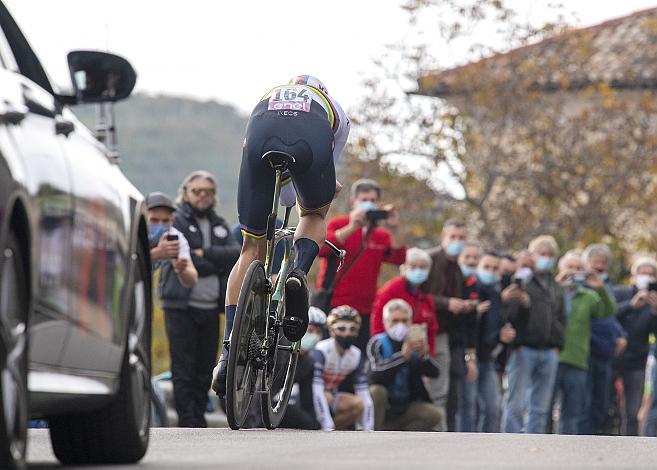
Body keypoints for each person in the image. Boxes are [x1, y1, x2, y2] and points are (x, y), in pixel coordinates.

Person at [212, 75, 350, 396]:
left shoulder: (267, 96)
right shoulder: (336, 111)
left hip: (262, 132)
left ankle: (227, 353)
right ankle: (297, 273)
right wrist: (318, 196)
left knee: (250, 247)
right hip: (311, 136)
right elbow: (328, 178)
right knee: (315, 212)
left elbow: (260, 162)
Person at [159, 172, 240, 427]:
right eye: (198, 191)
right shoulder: (176, 220)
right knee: (183, 366)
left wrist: (205, 254)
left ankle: (199, 418)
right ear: (186, 193)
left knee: (206, 366)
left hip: (211, 306)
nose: (203, 197)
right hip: (180, 305)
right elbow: (185, 257)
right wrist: (214, 262)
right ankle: (187, 420)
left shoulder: (218, 223)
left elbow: (236, 254)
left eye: (208, 192)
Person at [316, 178, 406, 351]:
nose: (369, 204)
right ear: (353, 201)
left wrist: (395, 228)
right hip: (334, 303)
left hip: (364, 308)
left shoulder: (381, 235)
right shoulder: (338, 224)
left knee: (358, 356)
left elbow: (399, 258)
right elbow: (321, 249)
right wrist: (352, 227)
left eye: (373, 201)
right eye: (364, 200)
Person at [500, 235, 565, 434]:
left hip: (549, 350)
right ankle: (510, 442)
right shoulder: (523, 279)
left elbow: (561, 316)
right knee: (516, 403)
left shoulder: (554, 285)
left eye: (550, 255)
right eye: (541, 254)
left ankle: (533, 446)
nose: (546, 258)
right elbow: (510, 310)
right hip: (524, 348)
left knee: (540, 408)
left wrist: (558, 344)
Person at [553, 250, 615, 435]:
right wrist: (557, 284)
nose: (573, 271)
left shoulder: (587, 296)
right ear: (561, 268)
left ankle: (566, 453)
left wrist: (600, 287)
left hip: (577, 359)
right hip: (553, 356)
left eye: (579, 268)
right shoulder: (552, 291)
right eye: (570, 267)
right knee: (543, 408)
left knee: (572, 412)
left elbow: (608, 311)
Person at [424, 220, 472, 431]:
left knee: (448, 392)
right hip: (429, 331)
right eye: (453, 237)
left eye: (461, 238)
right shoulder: (430, 259)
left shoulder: (457, 268)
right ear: (444, 238)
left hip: (447, 332)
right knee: (437, 390)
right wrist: (447, 303)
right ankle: (436, 433)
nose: (457, 242)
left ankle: (444, 432)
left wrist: (464, 306)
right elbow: (418, 295)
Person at [458, 251, 513, 433]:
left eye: (494, 268)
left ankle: (487, 448)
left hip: (487, 358)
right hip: (469, 356)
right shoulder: (469, 289)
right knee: (469, 406)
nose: (490, 271)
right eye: (486, 267)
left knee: (492, 407)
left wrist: (502, 336)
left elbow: (495, 327)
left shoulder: (496, 294)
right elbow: (464, 327)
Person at [368, 299, 443, 431]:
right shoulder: (378, 342)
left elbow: (436, 373)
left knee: (435, 414)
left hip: (404, 406)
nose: (400, 325)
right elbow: (375, 375)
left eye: (404, 321)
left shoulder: (413, 343)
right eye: (395, 321)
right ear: (386, 323)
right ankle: (374, 432)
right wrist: (402, 357)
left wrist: (423, 356)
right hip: (384, 407)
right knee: (376, 391)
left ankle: (402, 437)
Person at [582, 244, 626, 435]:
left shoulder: (606, 286)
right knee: (586, 398)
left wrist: (621, 336)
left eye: (604, 263)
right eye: (596, 262)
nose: (600, 267)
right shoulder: (581, 286)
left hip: (606, 351)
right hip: (587, 349)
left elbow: (610, 315)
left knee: (602, 398)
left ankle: (594, 438)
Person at [612, 256, 657, 435]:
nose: (645, 276)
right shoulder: (620, 293)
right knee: (604, 405)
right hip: (613, 357)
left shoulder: (653, 301)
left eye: (650, 274)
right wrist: (631, 306)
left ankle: (629, 448)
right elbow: (610, 316)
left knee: (632, 411)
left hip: (637, 361)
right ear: (633, 275)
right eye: (642, 273)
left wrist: (655, 312)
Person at [310, 306, 374, 431]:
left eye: (352, 329)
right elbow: (316, 391)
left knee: (357, 404)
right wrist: (326, 423)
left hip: (330, 395)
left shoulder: (356, 354)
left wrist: (369, 429)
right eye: (341, 328)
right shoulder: (321, 350)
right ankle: (324, 427)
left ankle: (330, 431)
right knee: (325, 397)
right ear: (331, 331)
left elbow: (364, 394)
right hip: (307, 394)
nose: (347, 333)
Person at [370, 248, 438, 354]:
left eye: (422, 267)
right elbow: (377, 319)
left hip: (416, 350)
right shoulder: (391, 290)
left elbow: (431, 329)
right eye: (414, 266)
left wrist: (429, 353)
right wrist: (379, 347)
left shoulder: (426, 296)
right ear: (405, 267)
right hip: (389, 348)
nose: (418, 271)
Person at [280, 307, 327, 430]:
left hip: (273, 406)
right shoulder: (279, 351)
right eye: (310, 330)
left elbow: (308, 402)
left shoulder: (308, 363)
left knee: (311, 424)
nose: (314, 336)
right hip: (249, 403)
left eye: (318, 332)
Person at [147, 191, 198, 288]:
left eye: (165, 221)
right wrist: (156, 254)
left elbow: (193, 279)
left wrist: (182, 269)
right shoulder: (135, 233)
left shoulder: (175, 238)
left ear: (172, 221)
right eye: (154, 220)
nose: (160, 225)